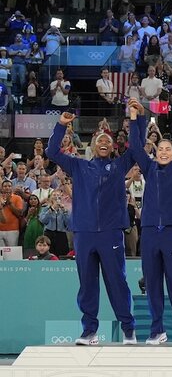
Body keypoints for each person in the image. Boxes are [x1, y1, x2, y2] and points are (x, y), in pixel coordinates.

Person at [47, 111, 137, 345]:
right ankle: (89, 332)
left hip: (111, 232)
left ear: (113, 147)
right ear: (93, 147)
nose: (104, 143)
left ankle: (128, 329)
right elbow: (52, 152)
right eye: (100, 141)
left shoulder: (119, 166)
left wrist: (136, 120)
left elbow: (136, 149)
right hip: (84, 233)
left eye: (108, 141)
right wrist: (60, 125)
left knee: (117, 282)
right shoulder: (79, 166)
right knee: (87, 285)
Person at [128, 99, 172, 346]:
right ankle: (157, 330)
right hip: (149, 232)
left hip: (171, 231)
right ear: (155, 152)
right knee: (153, 283)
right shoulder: (148, 167)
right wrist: (135, 119)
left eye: (169, 149)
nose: (164, 152)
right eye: (161, 149)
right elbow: (135, 147)